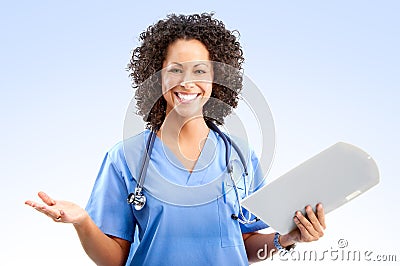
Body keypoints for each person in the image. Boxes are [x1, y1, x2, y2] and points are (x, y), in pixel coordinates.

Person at [25, 13, 326, 265]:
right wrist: (83, 222)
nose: (186, 81)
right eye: (175, 70)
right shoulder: (125, 158)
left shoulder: (241, 156)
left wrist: (286, 239)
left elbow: (245, 245)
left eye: (199, 70)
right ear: (157, 77)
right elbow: (114, 259)